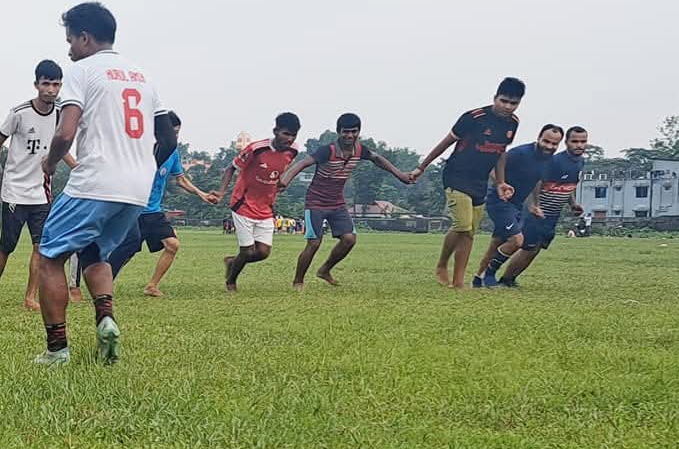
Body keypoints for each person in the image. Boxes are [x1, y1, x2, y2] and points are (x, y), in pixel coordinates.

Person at [32, 2, 171, 365]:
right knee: (96, 252)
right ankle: (105, 318)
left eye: (70, 41)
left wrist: (49, 163)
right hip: (137, 190)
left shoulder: (82, 71)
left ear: (85, 37)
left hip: (95, 182)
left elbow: (65, 132)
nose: (68, 50)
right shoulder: (143, 76)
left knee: (49, 257)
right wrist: (142, 166)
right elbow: (168, 139)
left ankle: (57, 349)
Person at [277, 114, 414, 288]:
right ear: (338, 132)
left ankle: (324, 270)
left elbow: (377, 158)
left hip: (337, 203)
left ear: (359, 132)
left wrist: (400, 175)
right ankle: (298, 281)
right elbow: (302, 163)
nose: (349, 136)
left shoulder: (359, 150)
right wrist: (286, 181)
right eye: (345, 132)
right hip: (316, 202)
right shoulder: (328, 151)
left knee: (349, 239)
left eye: (354, 132)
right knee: (314, 243)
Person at [414, 77, 524, 289]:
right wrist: (422, 167)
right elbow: (446, 143)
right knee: (462, 225)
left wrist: (501, 182)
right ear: (495, 98)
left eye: (513, 103)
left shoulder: (513, 123)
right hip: (456, 176)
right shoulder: (474, 118)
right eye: (504, 101)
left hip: (480, 181)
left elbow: (501, 152)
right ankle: (441, 265)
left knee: (470, 231)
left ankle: (458, 282)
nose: (507, 107)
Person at [0, 60, 63, 311]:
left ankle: (30, 297)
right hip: (15, 191)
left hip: (41, 192)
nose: (51, 89)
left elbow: (61, 146)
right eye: (46, 83)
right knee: (7, 246)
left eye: (56, 84)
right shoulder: (19, 113)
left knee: (41, 247)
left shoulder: (61, 113)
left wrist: (78, 166)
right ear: (36, 84)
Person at [104, 113, 213, 295]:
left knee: (172, 244)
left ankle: (152, 286)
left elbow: (181, 180)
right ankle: (104, 285)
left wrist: (202, 194)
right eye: (172, 133)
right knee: (127, 250)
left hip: (153, 211)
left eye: (178, 133)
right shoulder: (140, 150)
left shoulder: (173, 153)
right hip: (133, 208)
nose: (175, 137)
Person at [492, 126, 588, 287]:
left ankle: (509, 279)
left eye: (583, 141)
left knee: (535, 248)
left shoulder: (579, 163)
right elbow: (537, 181)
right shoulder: (556, 161)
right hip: (537, 212)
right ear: (566, 142)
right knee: (527, 246)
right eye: (575, 141)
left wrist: (573, 204)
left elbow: (569, 186)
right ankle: (495, 276)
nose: (579, 145)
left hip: (552, 214)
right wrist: (535, 205)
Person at [472, 123, 563, 286]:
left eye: (554, 144)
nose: (549, 146)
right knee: (517, 240)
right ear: (539, 138)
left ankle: (478, 278)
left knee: (497, 243)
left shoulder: (549, 161)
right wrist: (501, 184)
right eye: (546, 141)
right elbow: (492, 167)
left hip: (517, 205)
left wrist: (535, 204)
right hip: (500, 201)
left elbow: (537, 181)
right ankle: (490, 275)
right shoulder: (520, 153)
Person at [222, 114, 301, 293]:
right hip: (243, 204)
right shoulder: (256, 149)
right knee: (248, 251)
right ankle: (231, 282)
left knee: (263, 253)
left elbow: (280, 168)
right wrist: (220, 192)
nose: (289, 139)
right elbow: (231, 168)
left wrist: (281, 181)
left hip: (265, 207)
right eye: (286, 134)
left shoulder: (293, 151)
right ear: (276, 131)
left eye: (293, 135)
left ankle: (232, 262)